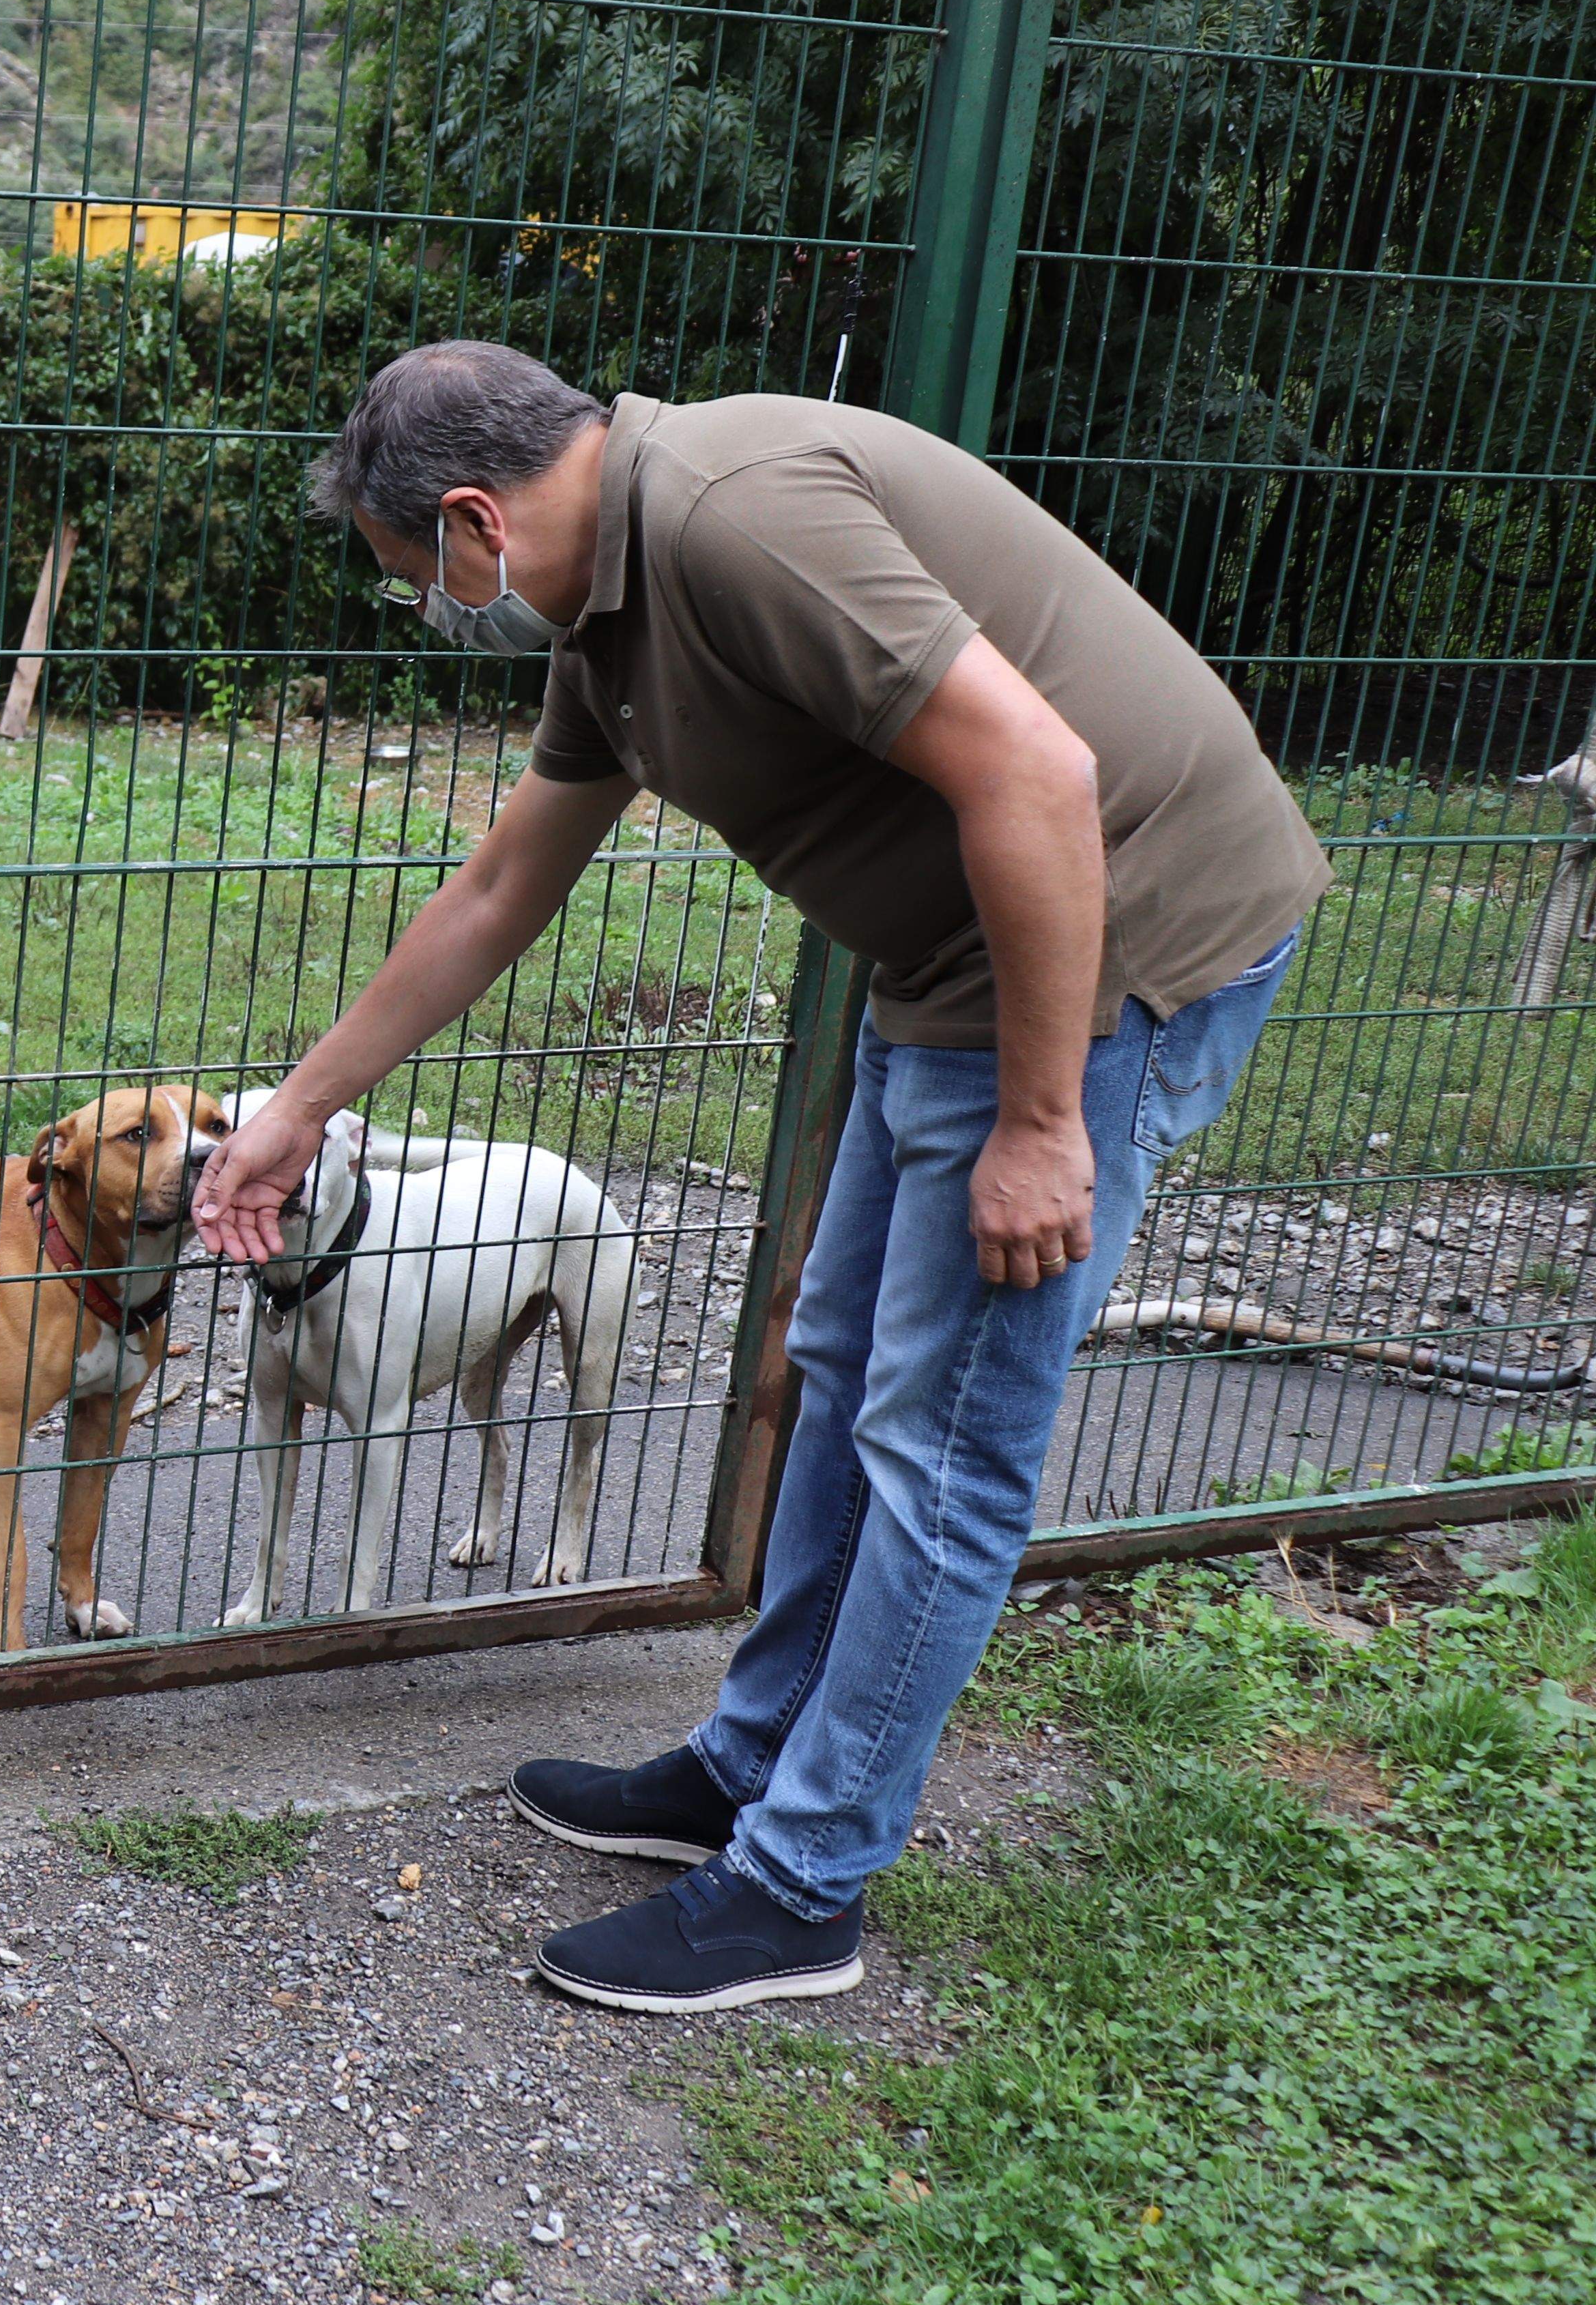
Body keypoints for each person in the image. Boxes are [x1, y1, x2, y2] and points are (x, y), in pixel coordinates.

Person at [193, 342, 1330, 2014]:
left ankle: (804, 1883)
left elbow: (1040, 772)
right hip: (945, 961)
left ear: (474, 520)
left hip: (1112, 949)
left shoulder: (735, 523)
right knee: (846, 1369)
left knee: (943, 1444)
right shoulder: (609, 609)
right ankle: (753, 1762)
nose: (431, 612)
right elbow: (505, 883)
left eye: (414, 579)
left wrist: (1041, 1122)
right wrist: (301, 1107)